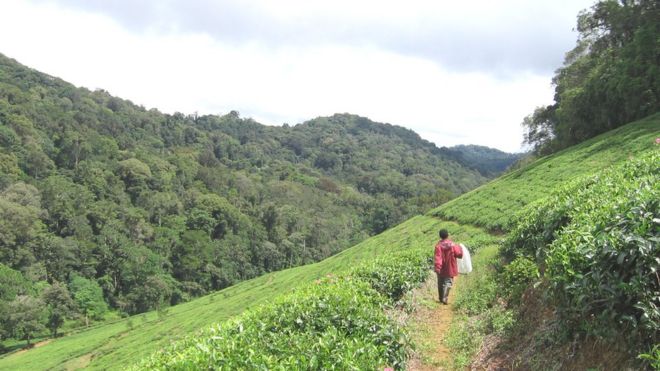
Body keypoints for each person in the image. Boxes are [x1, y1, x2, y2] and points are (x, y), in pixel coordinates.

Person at [434, 229, 463, 304]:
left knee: (440, 283)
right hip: (450, 267)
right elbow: (459, 254)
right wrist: (461, 249)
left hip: (441, 268)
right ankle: (445, 298)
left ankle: (441, 298)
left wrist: (438, 267)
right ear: (447, 235)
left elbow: (438, 257)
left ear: (440, 236)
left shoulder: (438, 246)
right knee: (448, 282)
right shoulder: (452, 245)